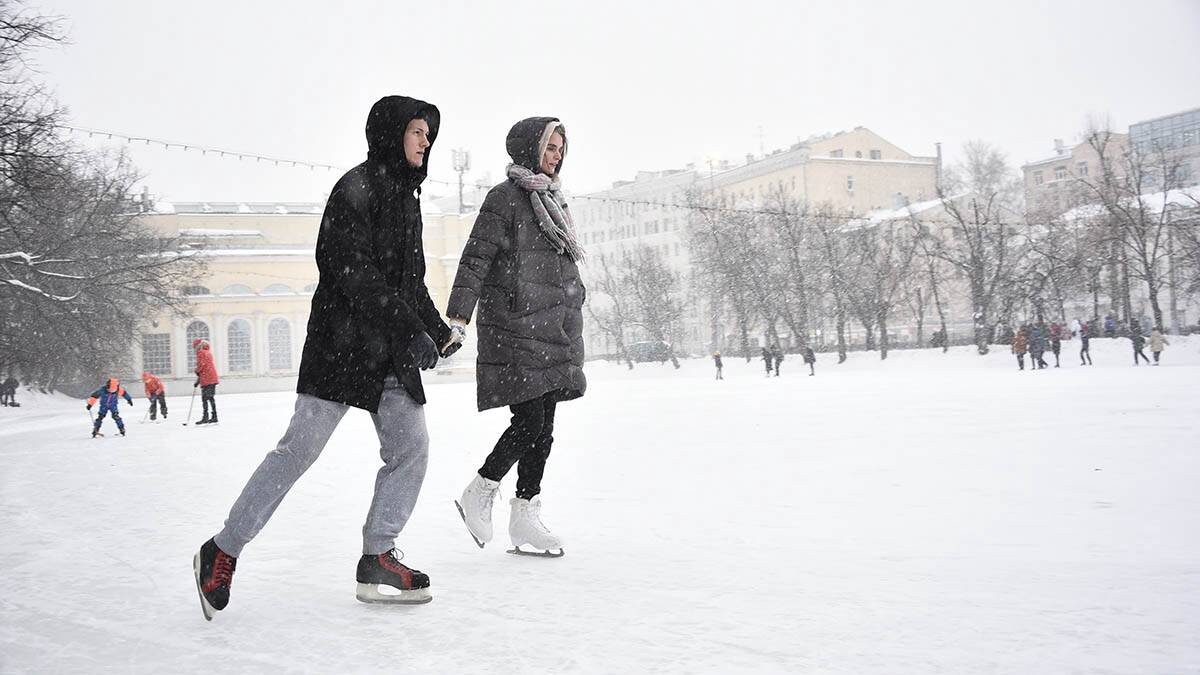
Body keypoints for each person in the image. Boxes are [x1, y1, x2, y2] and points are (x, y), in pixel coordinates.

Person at [193, 95, 455, 620]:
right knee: (299, 451)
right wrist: (410, 329)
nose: (426, 142)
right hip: (343, 346)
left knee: (412, 448)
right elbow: (352, 272)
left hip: (389, 353)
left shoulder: (409, 200)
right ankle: (222, 549)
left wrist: (436, 329)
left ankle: (378, 557)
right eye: (417, 132)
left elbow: (410, 283)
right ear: (392, 134)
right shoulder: (354, 189)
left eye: (429, 134)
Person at [449, 116, 585, 558]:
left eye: (561, 148)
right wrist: (458, 317)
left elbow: (564, 272)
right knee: (529, 423)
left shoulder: (554, 202)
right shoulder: (504, 199)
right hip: (515, 327)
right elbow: (475, 260)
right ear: (530, 149)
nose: (556, 156)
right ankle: (480, 489)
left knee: (544, 429)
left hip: (551, 331)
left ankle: (525, 512)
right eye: (550, 147)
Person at [192, 339, 220, 424]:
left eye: (194, 347)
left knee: (205, 399)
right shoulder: (207, 352)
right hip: (211, 378)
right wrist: (198, 381)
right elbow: (205, 367)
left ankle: (206, 417)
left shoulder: (201, 353)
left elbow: (201, 366)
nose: (194, 348)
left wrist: (196, 371)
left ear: (197, 346)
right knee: (210, 398)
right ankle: (214, 416)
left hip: (207, 379)